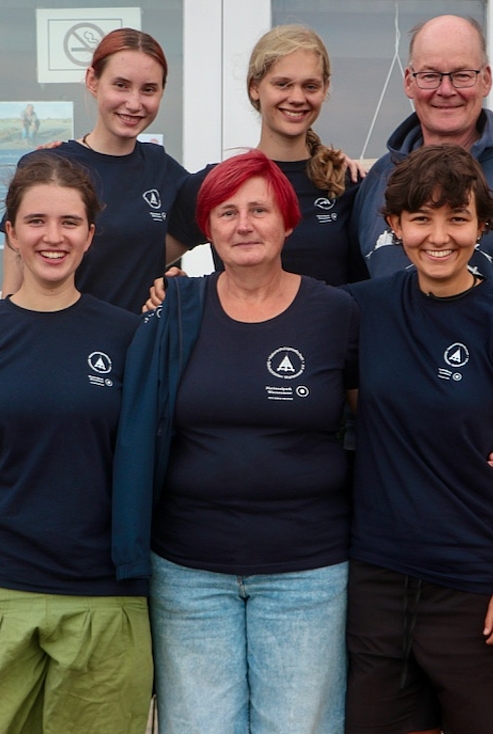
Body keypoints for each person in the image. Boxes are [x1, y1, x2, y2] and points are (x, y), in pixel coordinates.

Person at [352, 15, 493, 731]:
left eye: (461, 74)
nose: (445, 88)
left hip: (486, 467)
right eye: (429, 74)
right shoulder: (372, 181)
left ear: (486, 80)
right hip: (393, 504)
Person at [113, 150, 359, 734]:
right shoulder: (174, 309)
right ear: (207, 229)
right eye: (226, 212)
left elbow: (381, 421)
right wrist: (6, 435)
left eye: (259, 209)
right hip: (188, 572)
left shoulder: (336, 312)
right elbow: (116, 409)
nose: (243, 224)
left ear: (288, 221)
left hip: (307, 570)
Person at [0, 152, 150, 734]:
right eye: (36, 221)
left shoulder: (128, 337)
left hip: (105, 592)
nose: (54, 237)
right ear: (11, 233)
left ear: (91, 235)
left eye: (70, 222)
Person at [0, 28, 190, 312]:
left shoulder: (165, 172)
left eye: (148, 89)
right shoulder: (48, 166)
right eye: (121, 85)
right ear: (92, 80)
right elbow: (13, 287)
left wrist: (176, 286)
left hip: (136, 349)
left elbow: (149, 257)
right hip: (60, 343)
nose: (134, 103)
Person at [165, 24, 367, 289]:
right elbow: (138, 267)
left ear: (325, 88)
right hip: (239, 331)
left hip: (331, 330)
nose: (297, 97)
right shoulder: (217, 183)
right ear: (254, 87)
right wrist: (182, 294)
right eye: (282, 84)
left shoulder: (347, 183)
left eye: (310, 86)